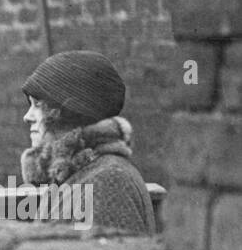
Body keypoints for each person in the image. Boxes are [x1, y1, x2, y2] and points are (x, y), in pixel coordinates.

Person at [20, 49, 154, 234]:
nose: (27, 117)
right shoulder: (77, 174)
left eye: (38, 105)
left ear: (69, 112)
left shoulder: (108, 182)